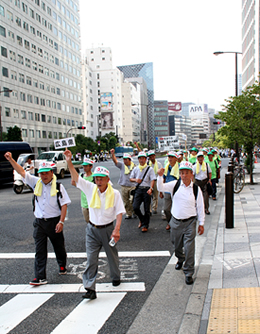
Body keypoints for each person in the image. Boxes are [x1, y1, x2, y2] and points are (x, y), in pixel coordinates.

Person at [64, 149, 125, 300]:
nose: (98, 181)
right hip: (92, 229)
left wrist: (116, 230)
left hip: (108, 229)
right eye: (97, 178)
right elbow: (76, 177)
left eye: (101, 178)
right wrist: (68, 161)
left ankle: (116, 276)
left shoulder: (115, 193)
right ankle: (90, 288)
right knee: (91, 259)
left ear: (107, 179)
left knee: (112, 256)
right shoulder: (90, 188)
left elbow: (119, 213)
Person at [4, 152, 71, 286]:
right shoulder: (36, 183)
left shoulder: (58, 186)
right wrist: (11, 160)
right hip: (40, 223)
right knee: (40, 250)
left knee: (59, 246)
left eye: (46, 173)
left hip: (54, 221)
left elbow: (64, 205)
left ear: (52, 173)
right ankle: (40, 276)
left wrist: (61, 221)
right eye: (41, 173)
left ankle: (62, 265)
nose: (44, 176)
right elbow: (22, 172)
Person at [157, 161, 205, 285]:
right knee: (176, 244)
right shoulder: (175, 184)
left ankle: (188, 272)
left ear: (191, 175)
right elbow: (160, 188)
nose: (184, 175)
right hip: (176, 221)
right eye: (182, 173)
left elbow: (200, 206)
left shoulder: (195, 188)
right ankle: (180, 258)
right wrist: (159, 176)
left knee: (189, 248)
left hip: (190, 222)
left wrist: (201, 223)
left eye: (186, 173)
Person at [130, 151, 156, 232]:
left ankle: (145, 225)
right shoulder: (136, 168)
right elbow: (131, 178)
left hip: (146, 189)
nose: (141, 160)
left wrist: (151, 188)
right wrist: (136, 180)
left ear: (145, 159)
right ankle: (142, 219)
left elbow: (152, 179)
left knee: (146, 209)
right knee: (135, 207)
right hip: (138, 189)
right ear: (138, 159)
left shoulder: (149, 169)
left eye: (143, 158)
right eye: (140, 158)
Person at [110, 149, 136, 219]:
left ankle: (134, 212)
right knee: (126, 201)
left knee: (132, 200)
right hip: (124, 186)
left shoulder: (135, 166)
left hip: (132, 186)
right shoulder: (122, 165)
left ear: (130, 160)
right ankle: (129, 213)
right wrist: (113, 154)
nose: (124, 161)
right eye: (124, 159)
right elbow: (115, 161)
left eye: (126, 159)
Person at [71, 158, 95, 223]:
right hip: (84, 204)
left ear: (91, 166)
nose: (84, 167)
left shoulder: (94, 177)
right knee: (88, 221)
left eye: (86, 166)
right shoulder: (81, 175)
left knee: (95, 222)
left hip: (93, 203)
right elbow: (73, 183)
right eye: (84, 166)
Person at [162, 151, 179, 230]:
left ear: (176, 158)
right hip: (167, 190)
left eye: (172, 157)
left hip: (177, 190)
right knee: (166, 209)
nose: (170, 159)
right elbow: (163, 178)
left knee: (177, 208)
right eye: (169, 157)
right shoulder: (166, 167)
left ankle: (176, 223)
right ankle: (170, 222)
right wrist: (161, 190)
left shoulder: (180, 167)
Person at [147, 150, 162, 214]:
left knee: (155, 195)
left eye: (153, 156)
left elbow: (161, 173)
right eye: (150, 156)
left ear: (155, 156)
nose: (152, 157)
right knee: (148, 196)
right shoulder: (147, 164)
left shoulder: (158, 164)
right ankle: (149, 209)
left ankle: (154, 208)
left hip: (156, 180)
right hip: (149, 181)